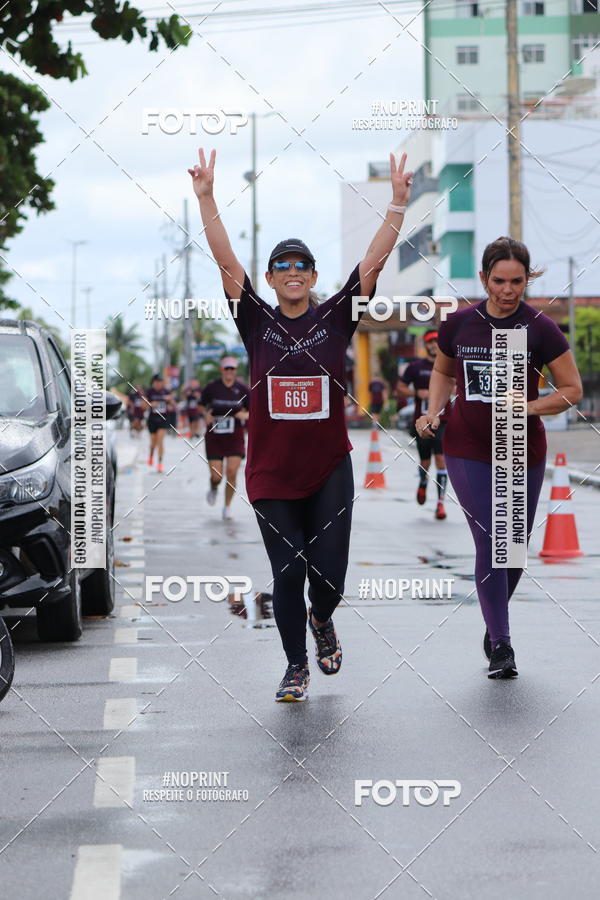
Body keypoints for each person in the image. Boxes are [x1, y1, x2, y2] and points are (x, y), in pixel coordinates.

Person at [189, 146, 413, 701]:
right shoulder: (255, 321)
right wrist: (207, 199)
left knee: (328, 578)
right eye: (282, 266)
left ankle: (323, 618)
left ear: (313, 277)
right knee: (288, 573)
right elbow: (225, 260)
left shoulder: (336, 318)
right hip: (270, 474)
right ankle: (295, 667)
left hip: (328, 468)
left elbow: (374, 261)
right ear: (269, 278)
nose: (292, 272)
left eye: (301, 266)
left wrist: (397, 204)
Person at [415, 236, 582, 679]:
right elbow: (442, 371)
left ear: (527, 280)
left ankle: (493, 623)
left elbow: (572, 390)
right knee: (492, 538)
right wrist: (432, 412)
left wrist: (528, 407)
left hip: (521, 447)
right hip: (467, 445)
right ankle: (502, 645)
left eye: (517, 282)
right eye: (499, 281)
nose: (508, 291)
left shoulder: (540, 328)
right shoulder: (458, 324)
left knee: (514, 547)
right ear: (484, 278)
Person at [397, 330, 450, 519]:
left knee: (441, 460)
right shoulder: (416, 367)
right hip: (422, 422)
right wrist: (416, 393)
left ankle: (440, 504)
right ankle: (423, 482)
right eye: (430, 342)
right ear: (425, 345)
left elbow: (461, 386)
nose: (434, 345)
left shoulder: (449, 365)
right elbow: (400, 388)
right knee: (425, 462)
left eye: (437, 341)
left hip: (444, 421)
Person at [200, 357, 250, 521]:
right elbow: (201, 405)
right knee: (217, 476)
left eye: (232, 369)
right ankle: (213, 487)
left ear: (235, 371)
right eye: (226, 368)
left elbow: (252, 410)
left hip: (234, 436)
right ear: (222, 370)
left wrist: (244, 415)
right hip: (215, 436)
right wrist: (205, 414)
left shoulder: (242, 389)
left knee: (232, 472)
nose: (229, 371)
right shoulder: (212, 388)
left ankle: (227, 507)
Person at [145, 374, 173, 473]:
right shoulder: (149, 392)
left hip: (163, 420)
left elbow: (173, 404)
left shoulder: (166, 391)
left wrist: (170, 399)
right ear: (153, 382)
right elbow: (143, 405)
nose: (158, 384)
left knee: (160, 441)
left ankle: (160, 463)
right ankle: (151, 455)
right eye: (156, 382)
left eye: (160, 382)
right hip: (152, 420)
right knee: (153, 442)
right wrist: (151, 404)